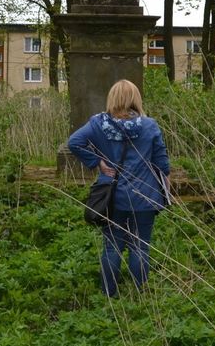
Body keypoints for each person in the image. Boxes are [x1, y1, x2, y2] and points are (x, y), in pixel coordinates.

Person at [68, 79, 170, 297]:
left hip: (113, 197)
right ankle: (140, 295)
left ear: (112, 97)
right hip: (145, 195)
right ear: (136, 98)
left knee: (112, 246)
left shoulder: (98, 123)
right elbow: (162, 164)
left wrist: (97, 162)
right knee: (140, 247)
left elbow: (74, 143)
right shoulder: (149, 125)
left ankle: (108, 294)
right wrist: (165, 192)